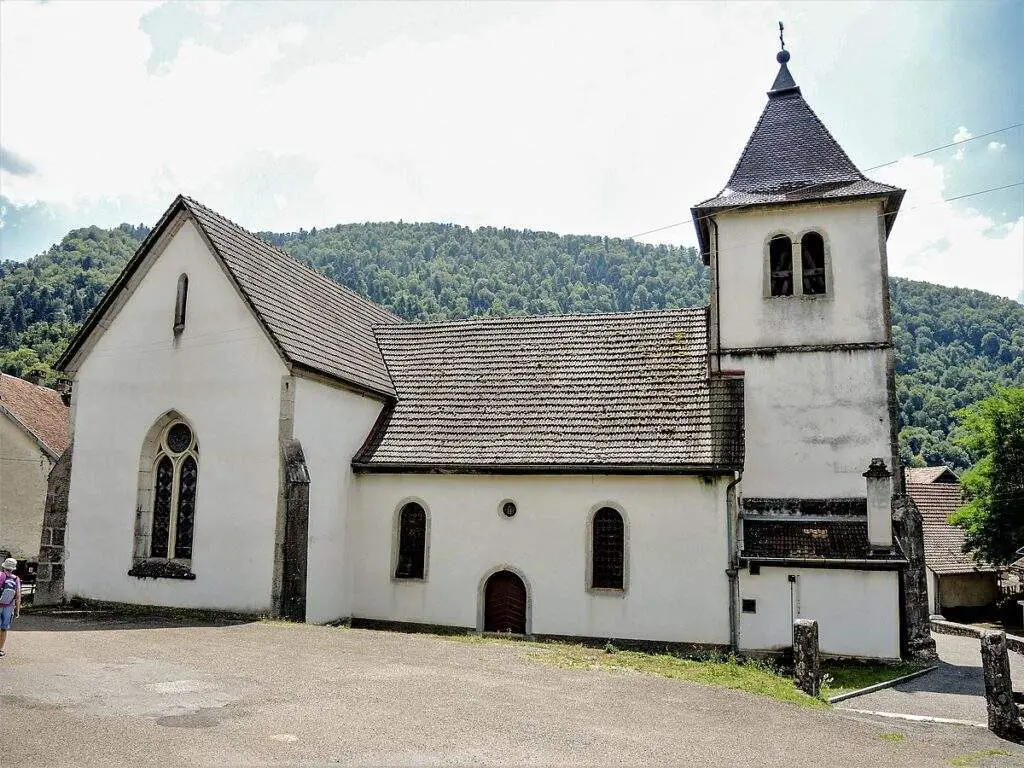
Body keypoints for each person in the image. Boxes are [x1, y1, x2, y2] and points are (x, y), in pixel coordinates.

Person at [0, 557, 21, 658]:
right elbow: (18, 596)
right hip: (8, 606)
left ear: (3, 566)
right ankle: (0, 649)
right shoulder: (16, 579)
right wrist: (17, 610)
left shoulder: (0, 575)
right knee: (4, 628)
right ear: (13, 568)